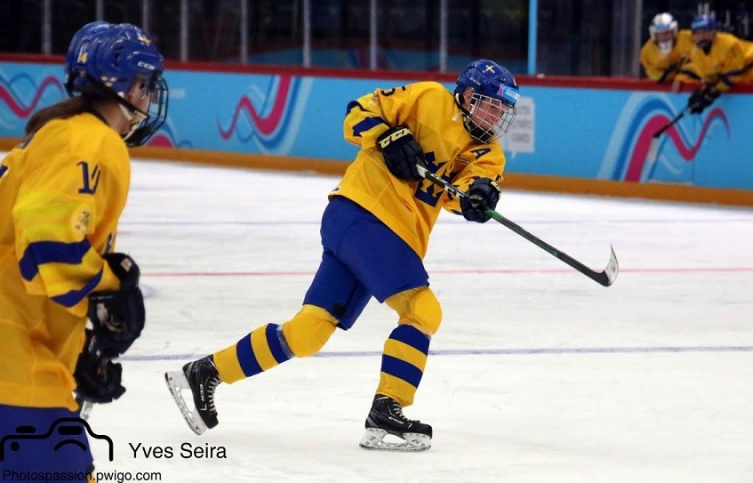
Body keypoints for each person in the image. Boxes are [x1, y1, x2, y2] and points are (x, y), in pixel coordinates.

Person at [165, 59, 520, 452]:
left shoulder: (490, 153)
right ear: (468, 95)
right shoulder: (428, 97)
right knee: (423, 310)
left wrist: (477, 199)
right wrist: (387, 136)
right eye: (493, 104)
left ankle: (206, 372)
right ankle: (388, 409)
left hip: (369, 232)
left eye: (505, 109)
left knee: (308, 334)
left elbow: (463, 194)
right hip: (364, 214)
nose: (499, 114)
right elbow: (356, 114)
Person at [0, 22, 167, 481]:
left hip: (23, 349)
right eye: (147, 85)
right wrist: (112, 286)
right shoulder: (88, 140)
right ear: (129, 87)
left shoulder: (65, 133)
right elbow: (48, 243)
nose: (149, 97)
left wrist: (74, 355)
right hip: (12, 357)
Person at [684, 14, 753, 115]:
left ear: (713, 32)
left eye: (705, 32)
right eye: (698, 33)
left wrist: (712, 94)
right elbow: (710, 78)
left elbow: (731, 78)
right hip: (744, 75)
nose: (701, 37)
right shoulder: (695, 54)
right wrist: (702, 92)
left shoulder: (728, 45)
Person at [639, 12, 695, 84]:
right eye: (660, 34)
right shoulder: (646, 52)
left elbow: (701, 63)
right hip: (667, 89)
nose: (664, 38)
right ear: (653, 34)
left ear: (674, 31)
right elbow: (659, 77)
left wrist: (681, 77)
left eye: (667, 33)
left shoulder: (688, 38)